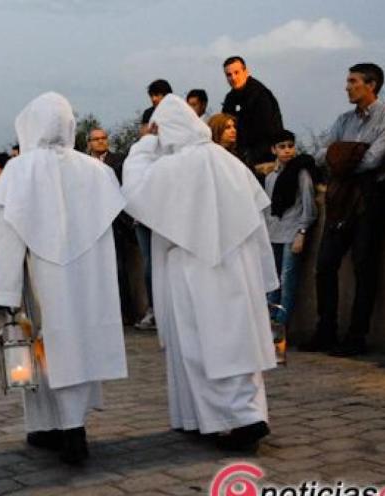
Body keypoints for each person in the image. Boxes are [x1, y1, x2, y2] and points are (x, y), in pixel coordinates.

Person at [123, 95, 277, 451]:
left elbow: (133, 192)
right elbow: (256, 223)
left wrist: (146, 143)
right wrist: (262, 275)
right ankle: (244, 413)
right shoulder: (229, 162)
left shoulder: (172, 167)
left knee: (201, 345)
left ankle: (233, 421)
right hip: (236, 265)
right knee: (237, 342)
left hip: (192, 267)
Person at [0, 92, 127, 465]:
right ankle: (55, 423)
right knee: (74, 344)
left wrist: (6, 289)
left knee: (47, 345)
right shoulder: (98, 171)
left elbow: (10, 233)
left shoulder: (20, 170)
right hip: (86, 280)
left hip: (42, 274)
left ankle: (66, 428)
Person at [304, 63, 385, 356]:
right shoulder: (343, 119)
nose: (347, 86)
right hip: (340, 198)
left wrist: (342, 156)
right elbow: (323, 154)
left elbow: (374, 159)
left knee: (364, 265)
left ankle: (357, 335)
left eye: (353, 81)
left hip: (369, 199)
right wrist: (348, 155)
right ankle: (326, 329)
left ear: (371, 85)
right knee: (325, 265)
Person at [263, 130, 318, 356]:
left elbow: (309, 205)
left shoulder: (301, 173)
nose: (287, 150)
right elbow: (267, 209)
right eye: (282, 146)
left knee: (287, 281)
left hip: (292, 232)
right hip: (274, 232)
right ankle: (267, 328)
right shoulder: (270, 177)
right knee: (271, 282)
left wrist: (302, 232)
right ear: (274, 150)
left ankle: (279, 332)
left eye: (290, 146)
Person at [133, 80, 172, 331]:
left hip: (165, 212)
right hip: (144, 214)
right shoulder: (140, 152)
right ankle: (154, 308)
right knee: (149, 264)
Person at [87, 128, 135, 323]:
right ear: (89, 143)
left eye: (103, 138)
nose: (100, 142)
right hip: (91, 224)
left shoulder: (121, 160)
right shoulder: (82, 163)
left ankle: (125, 314)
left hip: (116, 223)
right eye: (96, 139)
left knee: (119, 270)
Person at [220, 56, 284, 169]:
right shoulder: (230, 98)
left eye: (236, 72)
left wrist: (248, 160)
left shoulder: (260, 95)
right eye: (229, 75)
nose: (233, 78)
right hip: (240, 159)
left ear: (246, 71)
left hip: (265, 159)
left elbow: (268, 134)